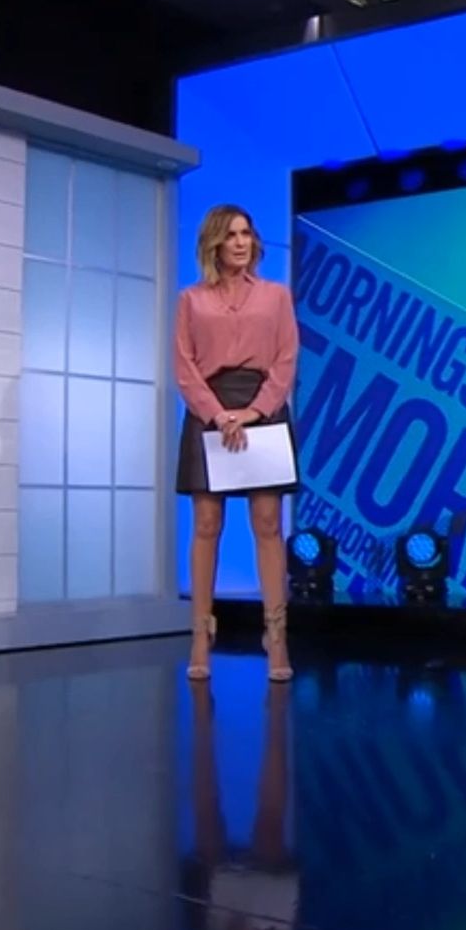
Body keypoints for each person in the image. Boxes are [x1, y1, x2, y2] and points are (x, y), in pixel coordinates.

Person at [173, 205, 299, 682]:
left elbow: (286, 359)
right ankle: (201, 635)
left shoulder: (275, 296)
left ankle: (276, 635)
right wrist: (217, 414)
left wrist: (254, 411)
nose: (241, 242)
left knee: (267, 523)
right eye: (231, 235)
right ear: (214, 244)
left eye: (247, 233)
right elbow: (184, 367)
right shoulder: (191, 300)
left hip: (261, 408)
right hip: (210, 411)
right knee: (207, 524)